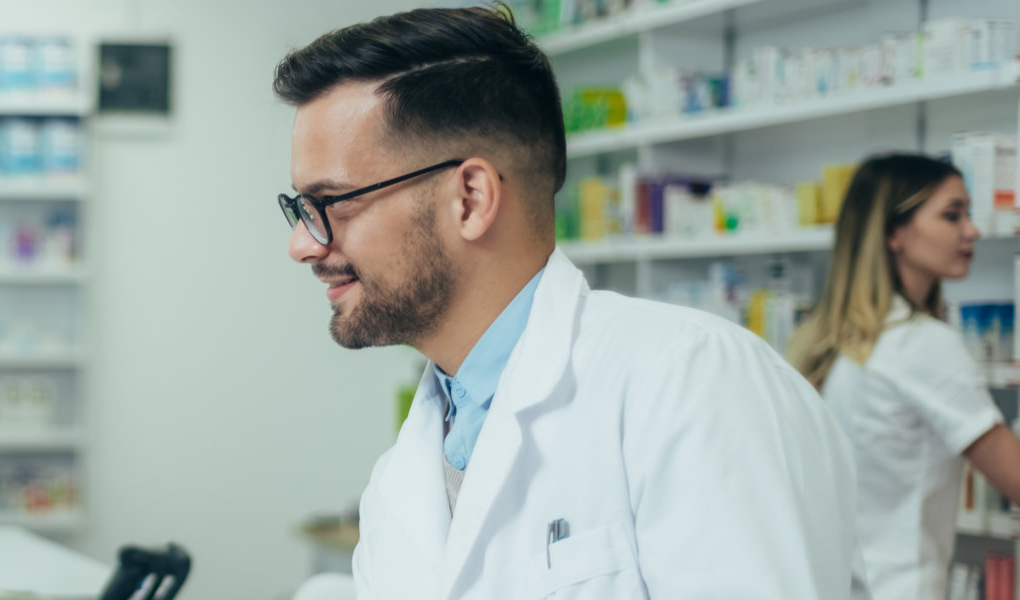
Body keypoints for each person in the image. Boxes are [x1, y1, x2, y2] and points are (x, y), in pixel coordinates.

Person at [273, 7, 865, 598]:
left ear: (471, 199)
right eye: (301, 208)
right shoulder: (399, 483)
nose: (303, 244)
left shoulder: (691, 382)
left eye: (332, 201)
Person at [790, 153, 1020, 599]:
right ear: (894, 233)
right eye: (952, 215)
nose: (971, 230)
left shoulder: (825, 341)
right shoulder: (920, 343)